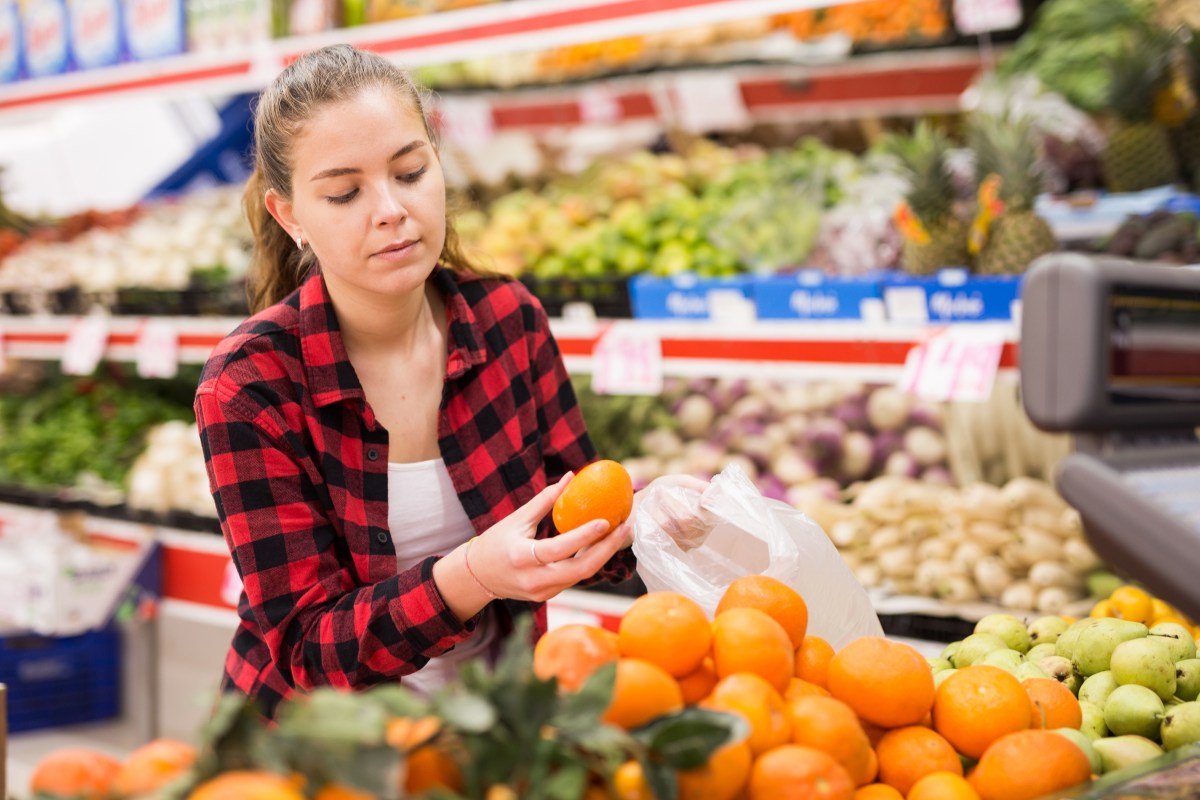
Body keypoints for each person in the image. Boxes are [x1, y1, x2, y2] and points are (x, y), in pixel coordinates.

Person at [195, 43, 700, 717]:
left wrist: (654, 519)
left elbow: (573, 514)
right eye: (344, 192)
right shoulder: (252, 385)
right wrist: (472, 576)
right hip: (316, 752)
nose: (390, 210)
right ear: (290, 216)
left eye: (410, 172)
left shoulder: (506, 321)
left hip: (493, 732)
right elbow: (307, 650)